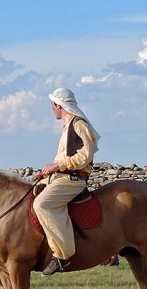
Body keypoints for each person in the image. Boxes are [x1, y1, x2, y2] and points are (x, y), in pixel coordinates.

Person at [32, 87, 101, 276]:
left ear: (58, 105)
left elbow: (85, 156)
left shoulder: (79, 124)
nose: (52, 108)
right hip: (64, 176)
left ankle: (62, 255)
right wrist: (45, 174)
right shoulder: (68, 126)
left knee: (41, 204)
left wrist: (57, 166)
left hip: (74, 179)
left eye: (52, 105)